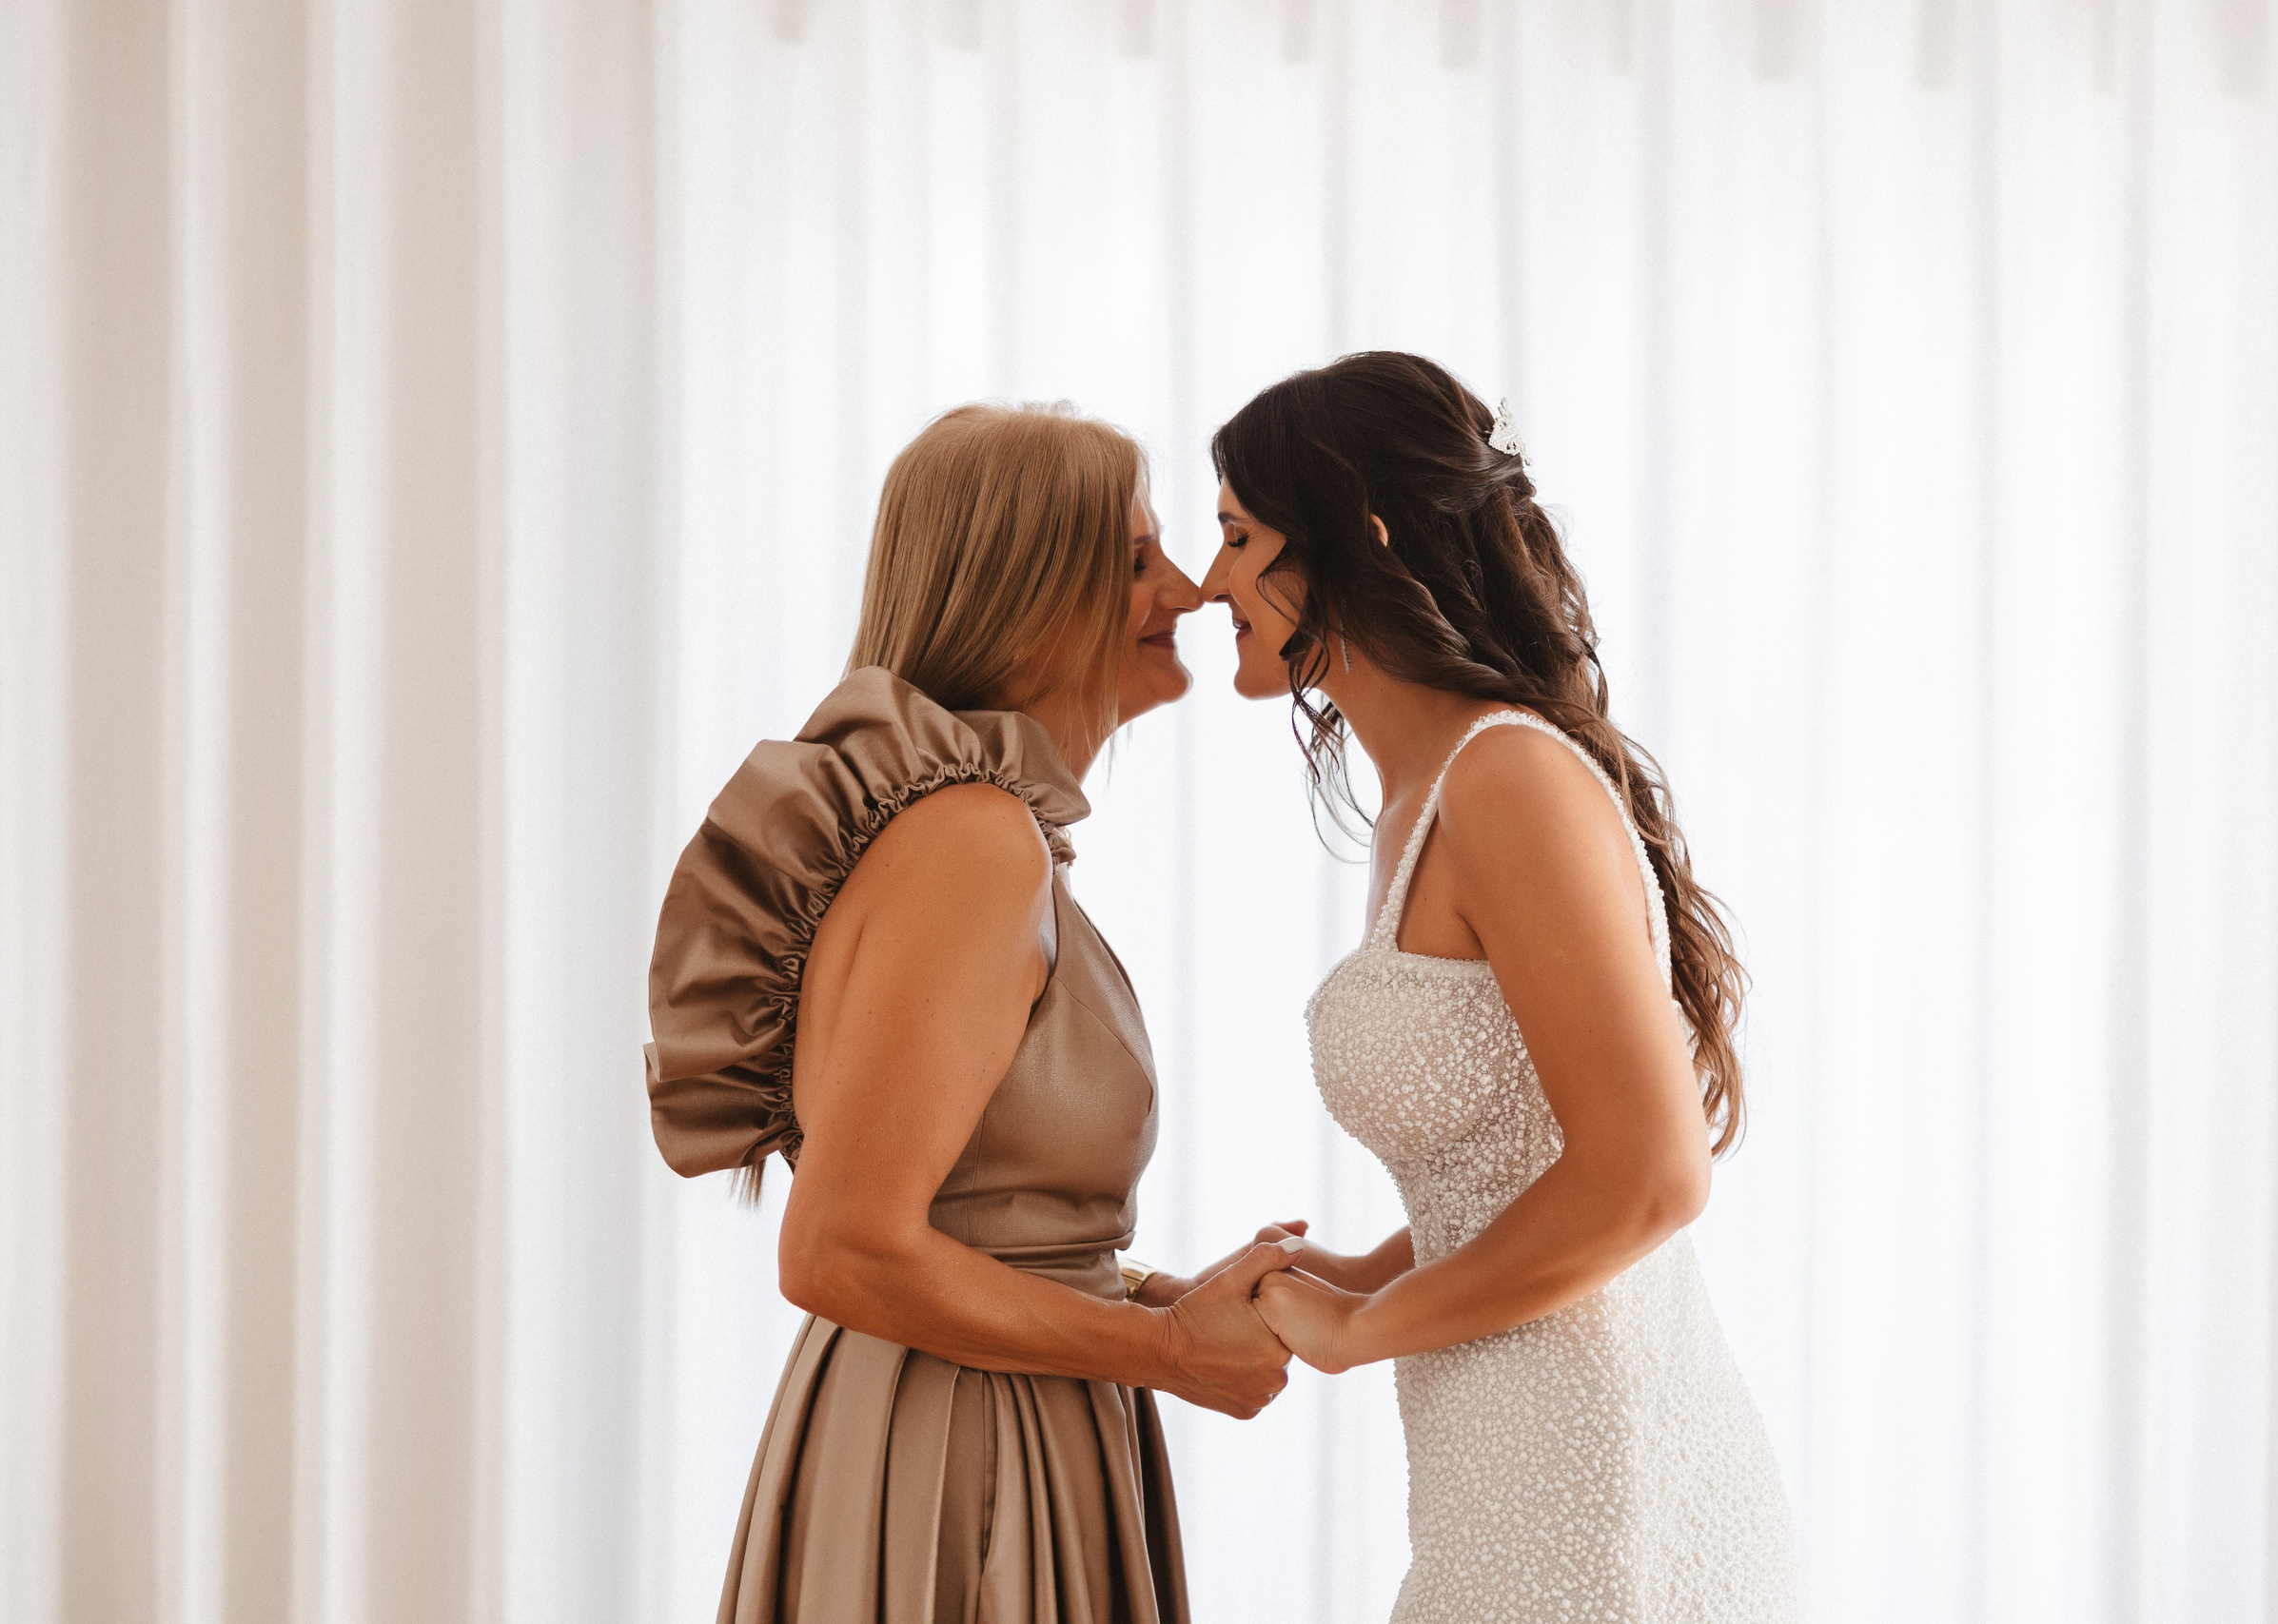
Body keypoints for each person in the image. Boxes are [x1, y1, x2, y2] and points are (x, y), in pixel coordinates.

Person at [645, 402, 1299, 1623]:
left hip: (970, 1412)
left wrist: (1160, 1297)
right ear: (1028, 589)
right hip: (965, 1447)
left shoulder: (977, 834)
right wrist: (1164, 1355)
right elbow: (839, 1247)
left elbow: (969, 1217)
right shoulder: (973, 844)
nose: (1191, 589)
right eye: (1136, 556)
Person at [1201, 354, 1801, 1621]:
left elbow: (1648, 1172)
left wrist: (1364, 1328)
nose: (1211, 583)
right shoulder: (1426, 800)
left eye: (1238, 534)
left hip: (1603, 1481)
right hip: (1499, 1473)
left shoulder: (1504, 780)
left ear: (1355, 533)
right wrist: (1357, 1272)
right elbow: (1517, 1170)